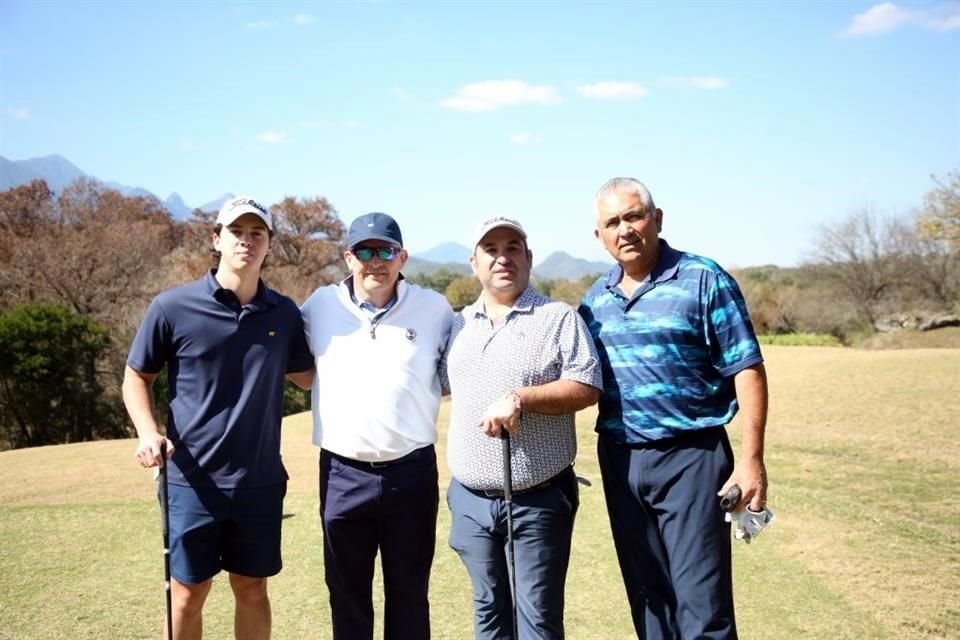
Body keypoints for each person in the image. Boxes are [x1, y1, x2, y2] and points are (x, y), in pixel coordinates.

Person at [578, 177, 769, 640]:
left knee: (702, 606)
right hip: (622, 460)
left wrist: (751, 461)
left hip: (692, 458)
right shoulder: (594, 301)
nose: (624, 230)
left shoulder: (703, 279)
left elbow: (748, 368)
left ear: (656, 219)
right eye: (612, 222)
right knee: (649, 601)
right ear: (598, 235)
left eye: (633, 216)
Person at [123, 195, 314, 640]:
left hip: (260, 479)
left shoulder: (283, 313)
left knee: (252, 589)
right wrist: (147, 433)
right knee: (187, 593)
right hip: (192, 481)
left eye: (257, 234)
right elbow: (136, 376)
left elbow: (307, 378)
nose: (247, 241)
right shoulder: (172, 307)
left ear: (269, 245)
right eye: (237, 232)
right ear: (217, 239)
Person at [442, 216, 602, 640]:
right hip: (470, 501)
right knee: (488, 615)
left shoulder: (558, 317)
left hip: (538, 500)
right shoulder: (458, 324)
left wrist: (521, 397)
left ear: (528, 258)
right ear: (473, 263)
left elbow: (587, 386)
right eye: (490, 250)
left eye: (513, 247)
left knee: (537, 620)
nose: (502, 257)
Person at [299, 212, 453, 640]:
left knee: (409, 596)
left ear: (402, 257)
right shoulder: (319, 306)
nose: (375, 261)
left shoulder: (434, 307)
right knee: (347, 599)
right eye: (364, 251)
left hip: (412, 473)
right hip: (343, 475)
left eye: (385, 251)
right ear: (348, 257)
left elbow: (455, 370)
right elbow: (294, 364)